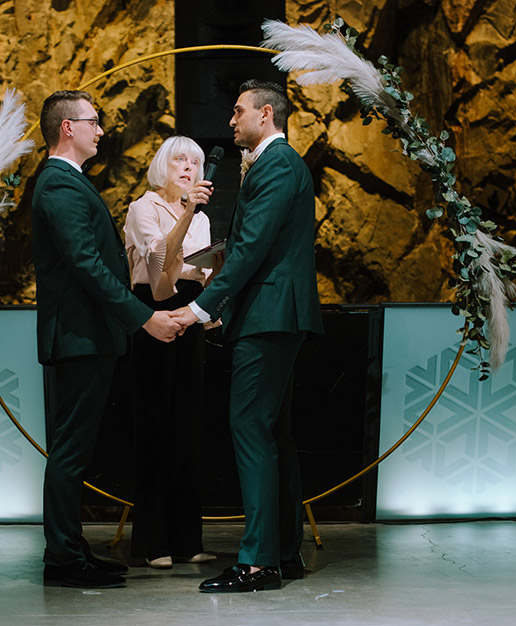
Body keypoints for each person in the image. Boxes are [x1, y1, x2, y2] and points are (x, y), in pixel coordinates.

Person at [172, 80, 323, 593]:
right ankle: (284, 552)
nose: (230, 121)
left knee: (251, 430)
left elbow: (254, 246)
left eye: (238, 112)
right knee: (274, 433)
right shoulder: (274, 165)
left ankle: (259, 562)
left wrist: (198, 308)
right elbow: (257, 242)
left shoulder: (278, 164)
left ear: (265, 114)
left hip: (270, 314)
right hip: (273, 313)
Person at [31, 90, 182, 589]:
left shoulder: (68, 183)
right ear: (67, 128)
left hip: (90, 335)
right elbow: (87, 266)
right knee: (70, 451)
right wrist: (143, 318)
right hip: (79, 336)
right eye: (93, 122)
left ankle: (71, 551)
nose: (101, 130)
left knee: (76, 449)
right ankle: (62, 559)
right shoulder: (57, 183)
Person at [123, 136, 220, 569]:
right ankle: (151, 542)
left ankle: (187, 539)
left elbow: (198, 274)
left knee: (188, 426)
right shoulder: (143, 207)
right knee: (153, 425)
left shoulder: (201, 219)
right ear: (162, 165)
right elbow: (161, 268)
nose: (188, 168)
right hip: (153, 313)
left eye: (195, 162)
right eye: (179, 160)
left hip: (189, 314)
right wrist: (188, 214)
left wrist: (213, 279)